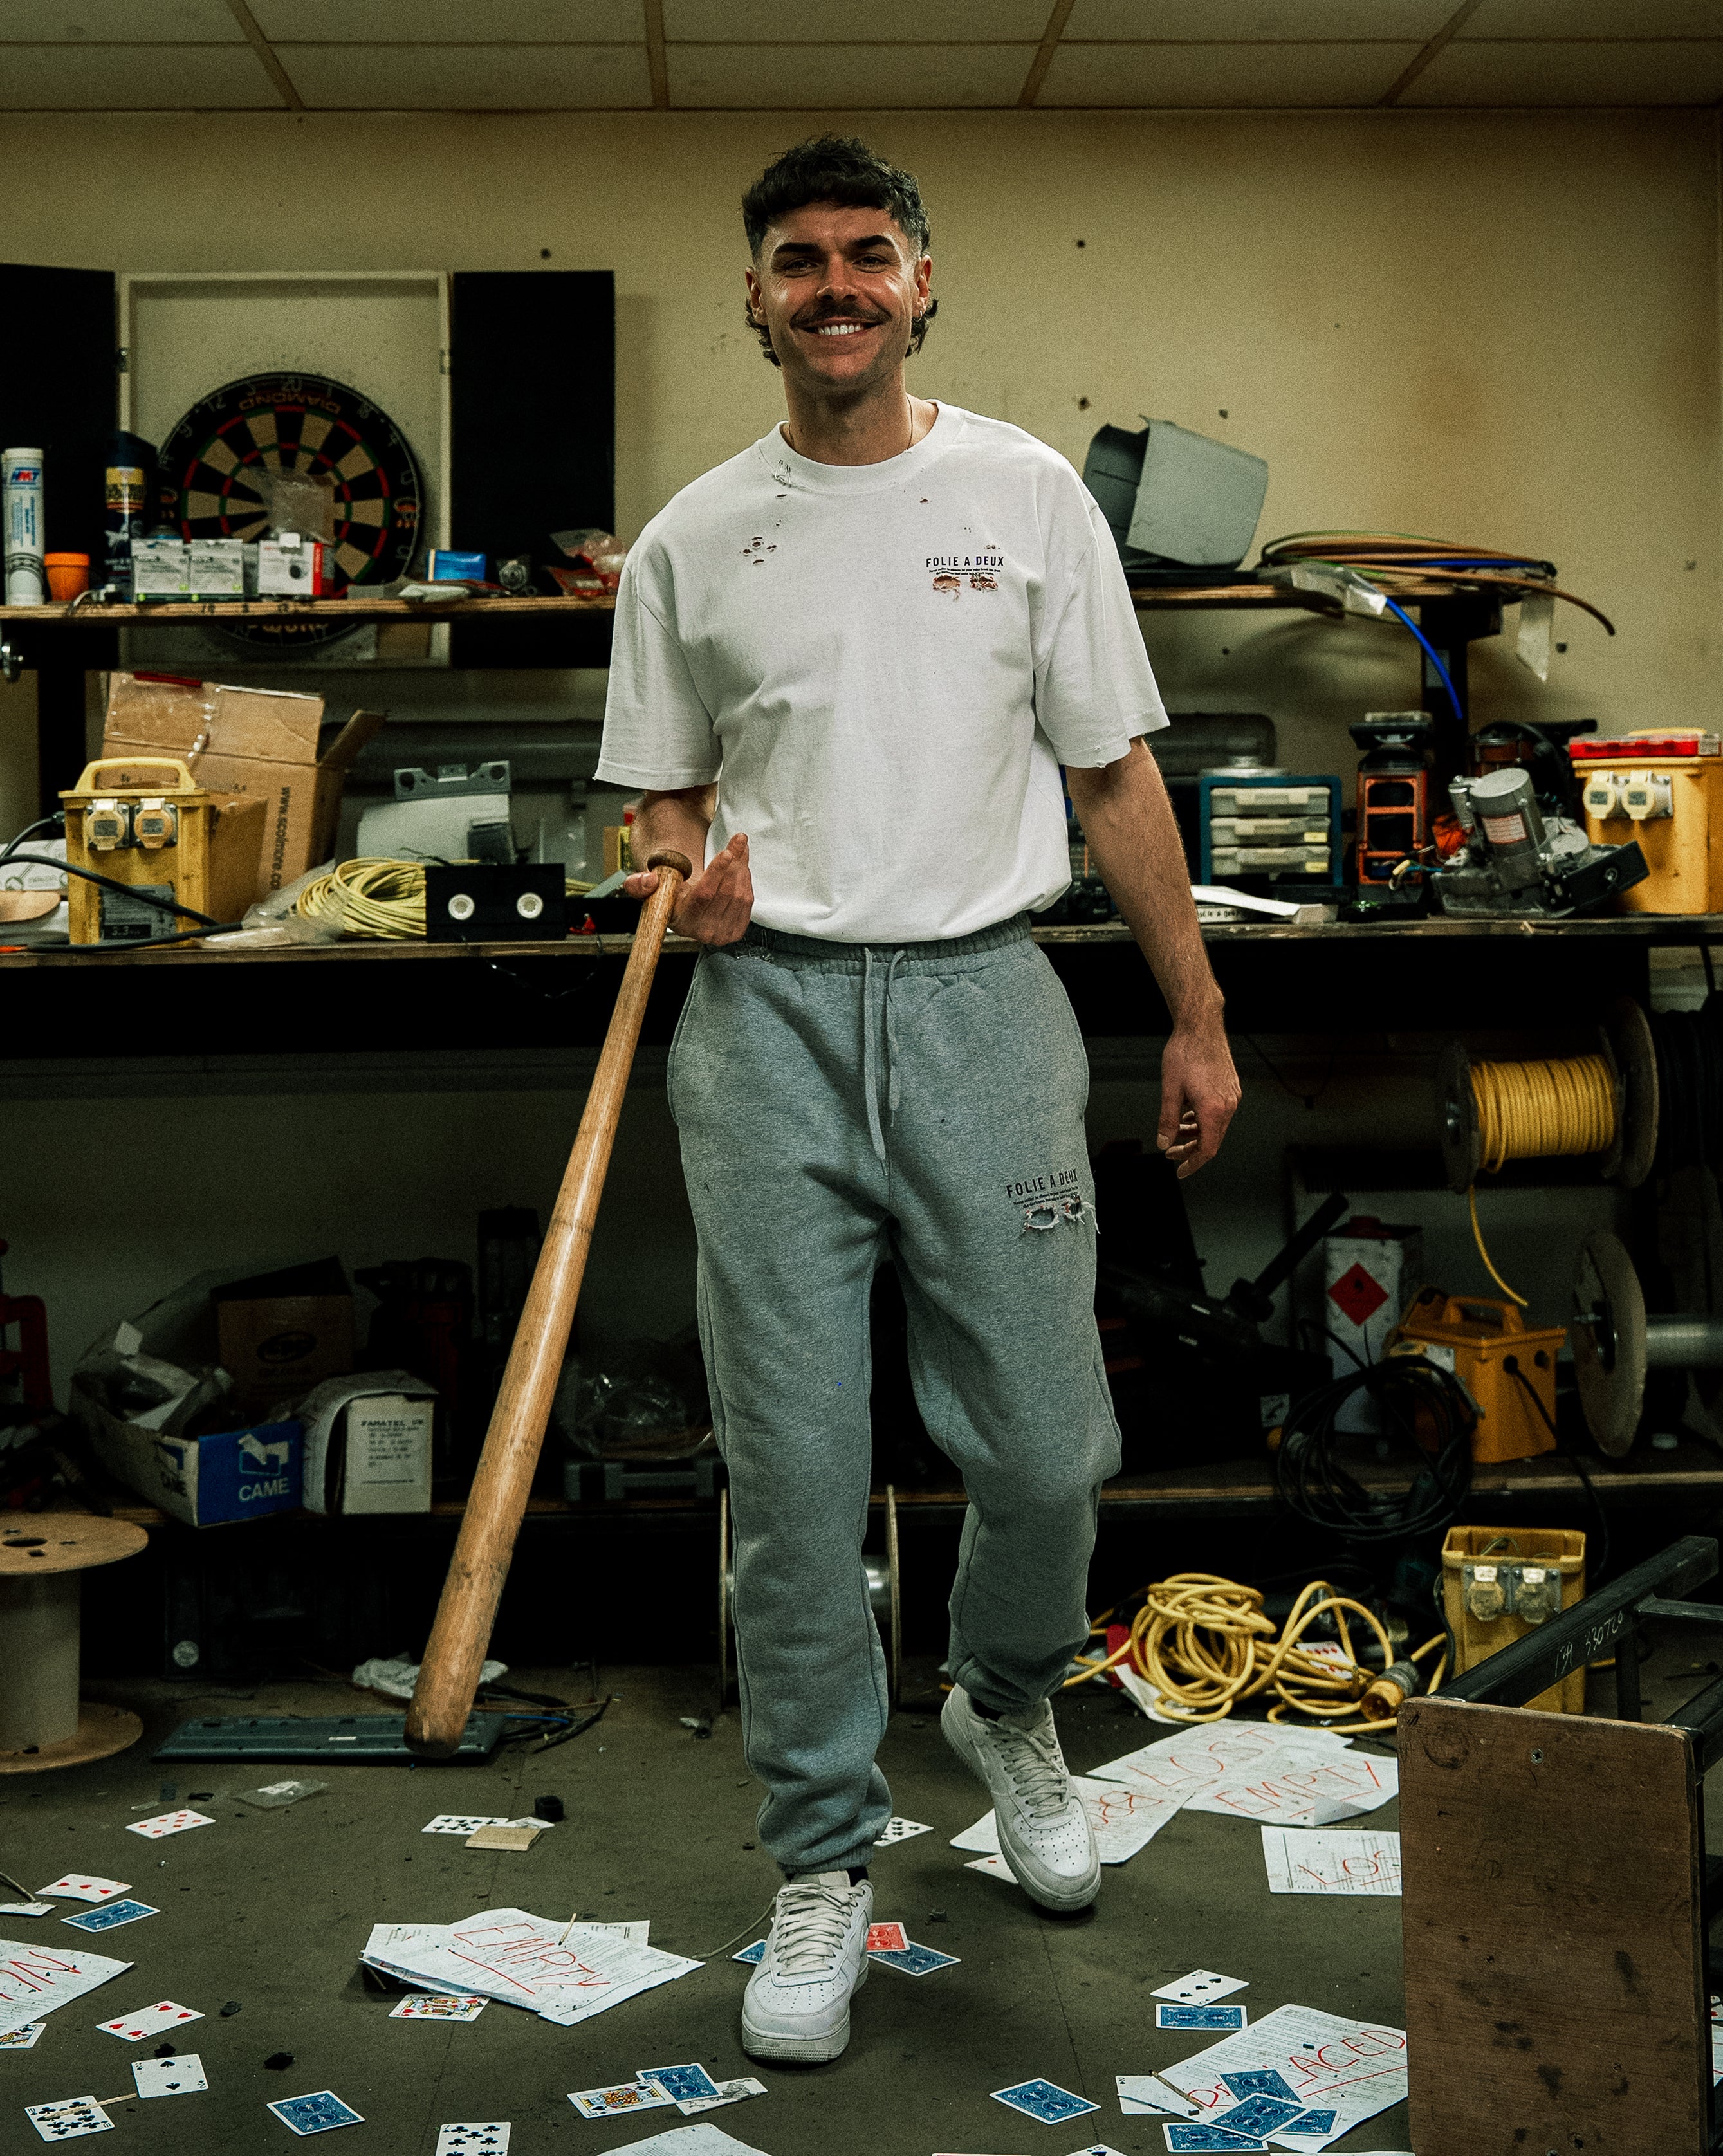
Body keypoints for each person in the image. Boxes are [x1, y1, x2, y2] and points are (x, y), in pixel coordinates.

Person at [598, 134, 1239, 2065]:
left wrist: (1197, 1020)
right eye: (799, 260)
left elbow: (1116, 780)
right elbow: (661, 804)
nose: (836, 285)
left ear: (925, 282)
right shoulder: (691, 540)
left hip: (986, 1007)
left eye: (868, 253)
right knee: (794, 1489)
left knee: (1046, 1453)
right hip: (768, 1025)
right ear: (757, 298)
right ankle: (820, 1859)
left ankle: (1009, 1700)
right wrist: (679, 879)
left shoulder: (1031, 495)